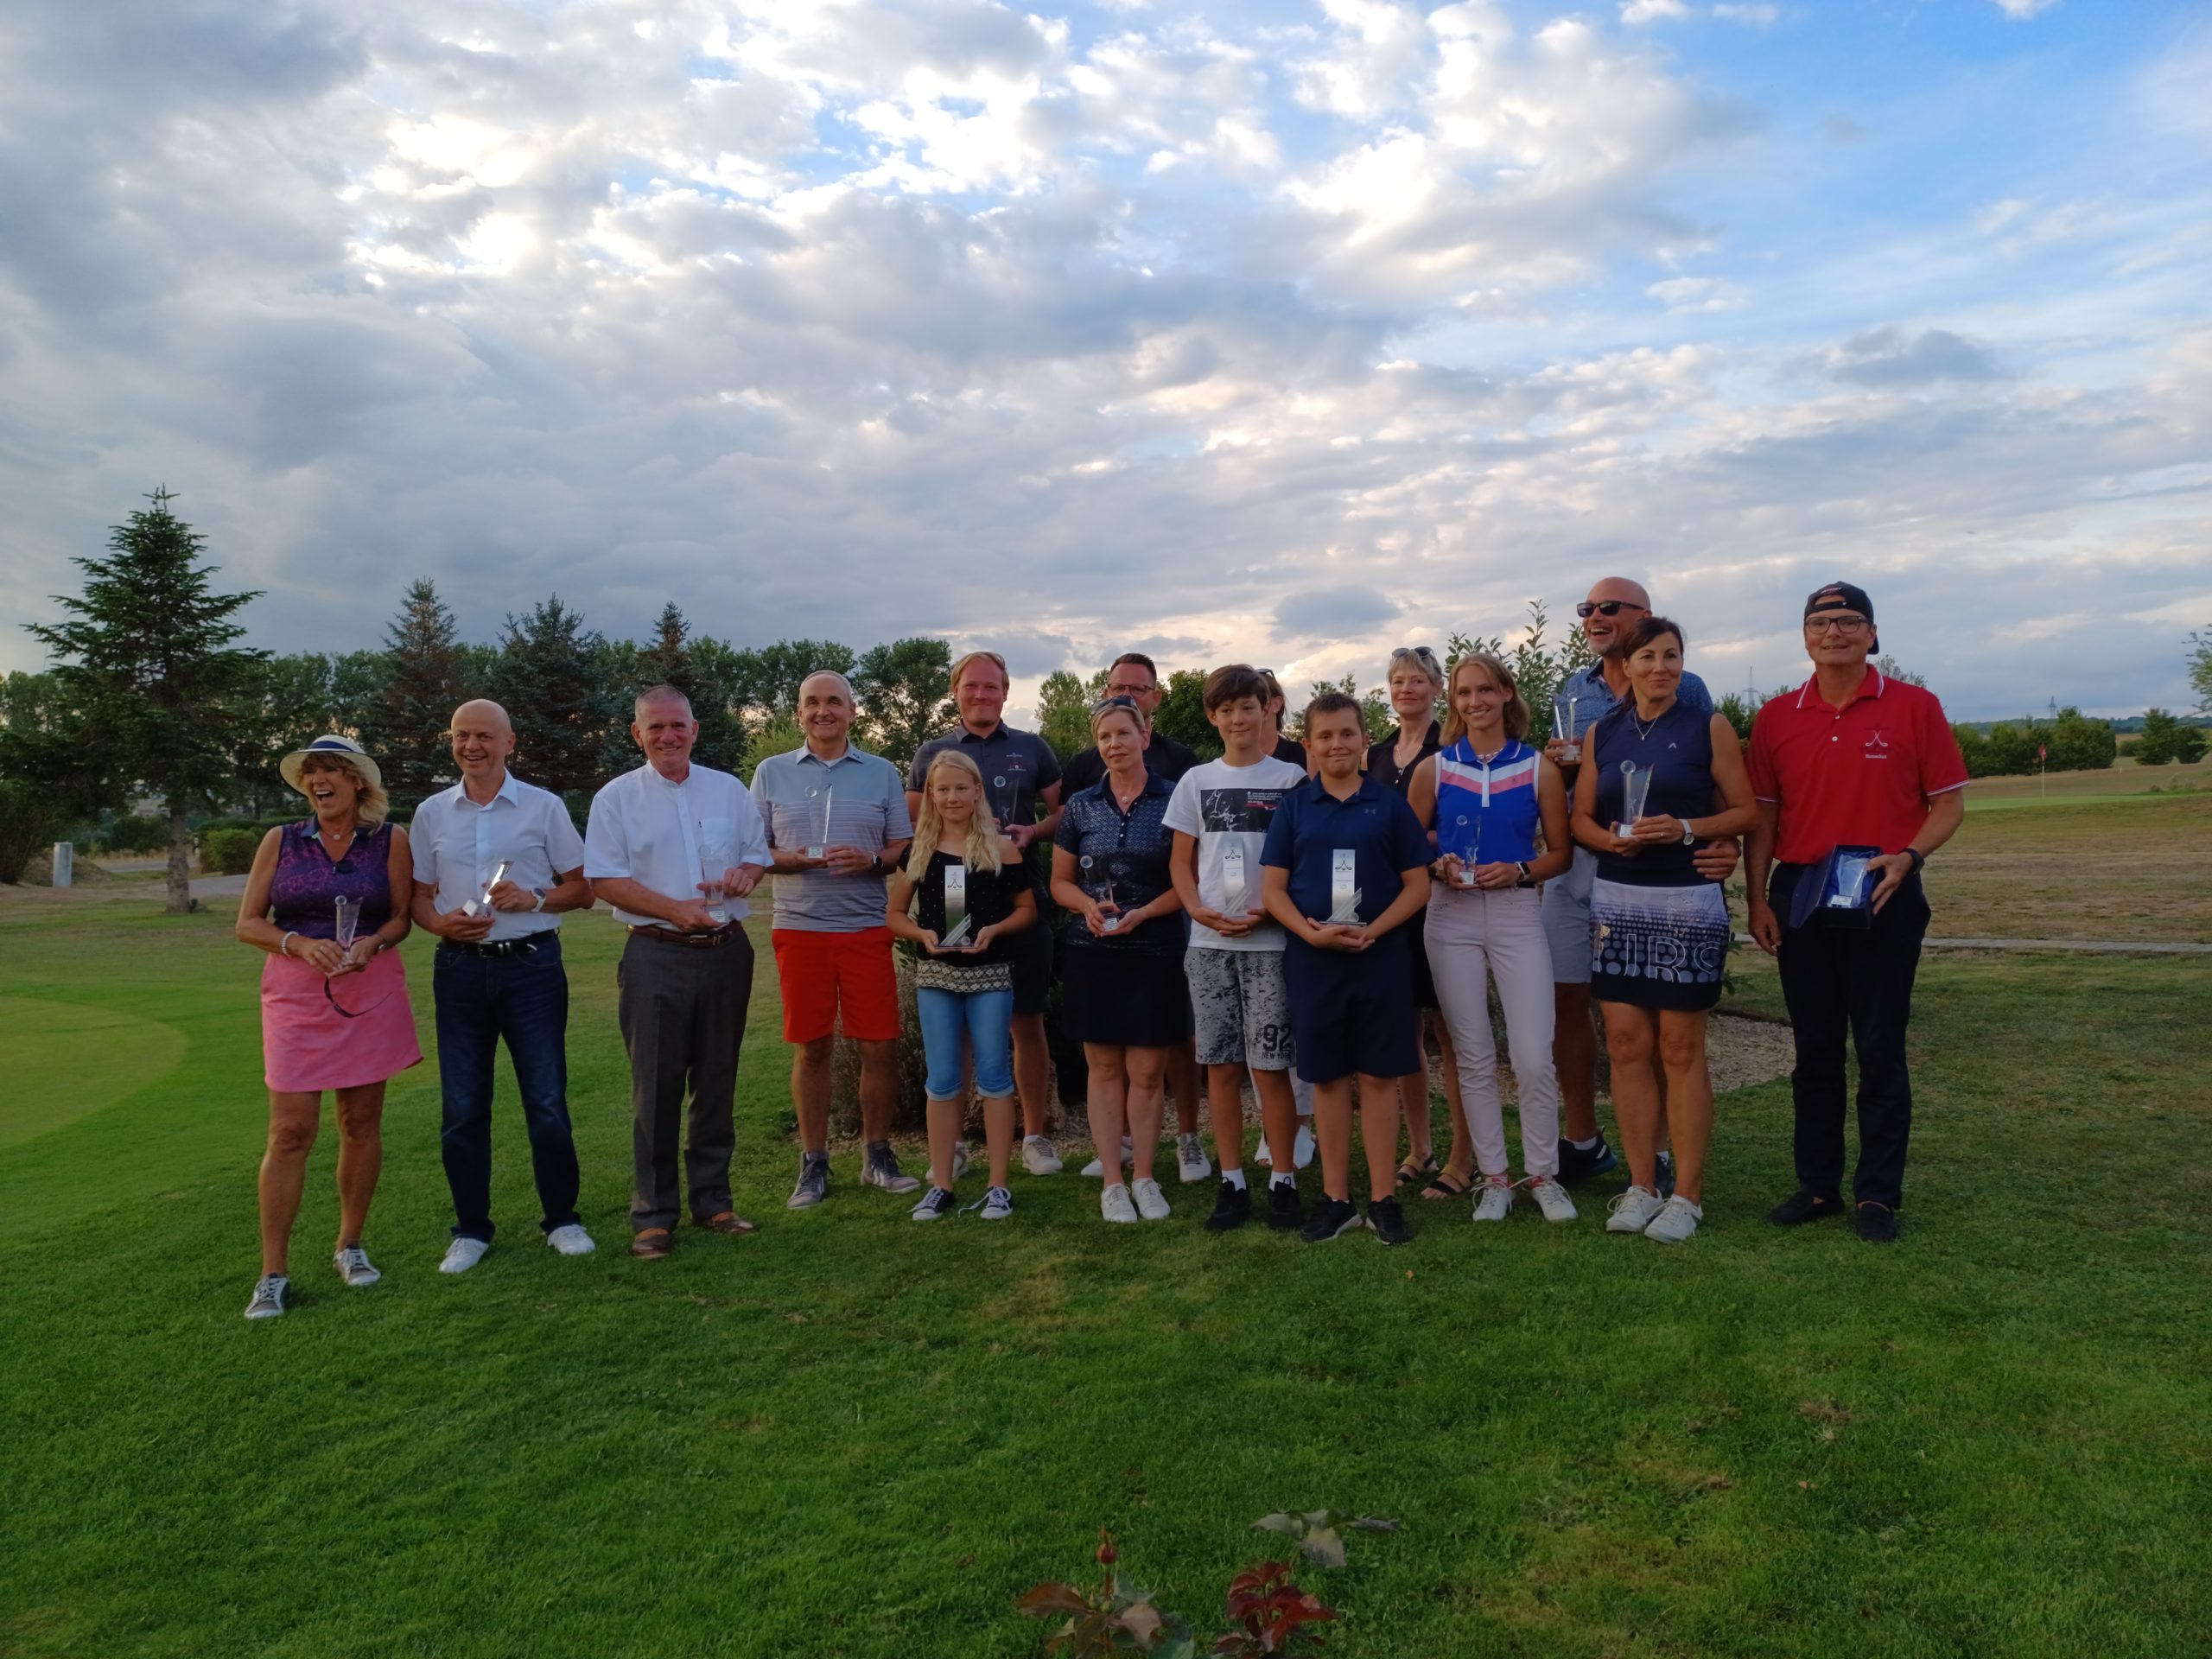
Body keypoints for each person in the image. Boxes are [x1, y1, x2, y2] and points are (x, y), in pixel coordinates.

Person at [1746, 582, 1967, 1243]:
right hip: (1802, 894)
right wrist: (1757, 898)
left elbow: (1948, 805)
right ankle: (1817, 1187)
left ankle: (1877, 1196)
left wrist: (1910, 857)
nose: (1834, 632)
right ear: (1805, 636)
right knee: (1814, 1049)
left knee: (1879, 1048)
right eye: (1821, 622)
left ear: (1872, 634)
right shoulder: (1776, 717)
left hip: (1885, 890)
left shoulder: (1915, 706)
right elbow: (1764, 818)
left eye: (1848, 621)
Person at [1543, 576, 1739, 1188]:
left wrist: (1709, 836)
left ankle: (1668, 1169)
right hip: (1602, 875)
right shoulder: (1576, 695)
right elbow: (1580, 802)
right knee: (1602, 1024)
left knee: (1673, 1038)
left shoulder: (1696, 702)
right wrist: (1560, 772)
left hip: (1676, 883)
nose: (1595, 616)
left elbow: (1725, 794)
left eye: (1609, 607)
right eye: (1587, 608)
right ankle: (1602, 1153)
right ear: (1628, 665)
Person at [1569, 618, 1758, 1244]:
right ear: (1624, 666)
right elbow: (1582, 819)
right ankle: (1642, 1185)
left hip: (1686, 899)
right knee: (1626, 1045)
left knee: (1680, 1048)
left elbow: (1746, 811)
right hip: (1619, 899)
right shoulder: (1602, 732)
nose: (1660, 668)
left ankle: (1687, 1197)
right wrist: (1610, 842)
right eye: (1648, 656)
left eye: (1672, 656)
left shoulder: (1708, 725)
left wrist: (1685, 829)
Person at [235, 735, 422, 1319]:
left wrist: (374, 942)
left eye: (332, 771)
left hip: (368, 990)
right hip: (296, 994)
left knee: (360, 1124)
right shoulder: (281, 840)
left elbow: (401, 917)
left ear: (357, 782)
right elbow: (248, 923)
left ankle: (350, 1244)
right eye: (311, 773)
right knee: (290, 1132)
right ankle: (273, 1273)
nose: (319, 781)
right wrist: (296, 943)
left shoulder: (390, 839)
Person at [409, 701, 597, 1274]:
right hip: (460, 970)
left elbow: (584, 888)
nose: (472, 746)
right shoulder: (432, 813)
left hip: (531, 968)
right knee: (464, 1106)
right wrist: (441, 924)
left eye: (484, 736)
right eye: (462, 736)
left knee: (546, 1100)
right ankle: (470, 1230)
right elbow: (418, 897)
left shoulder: (543, 807)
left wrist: (534, 898)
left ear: (509, 742)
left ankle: (562, 1219)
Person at [584, 686, 770, 1259]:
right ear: (637, 734)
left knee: (716, 1081)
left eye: (677, 725)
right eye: (655, 727)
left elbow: (756, 856)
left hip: (726, 951)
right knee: (656, 1086)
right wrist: (673, 909)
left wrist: (743, 875)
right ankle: (654, 1215)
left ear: (695, 730)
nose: (668, 736)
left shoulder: (728, 789)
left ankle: (713, 1202)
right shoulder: (616, 799)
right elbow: (604, 879)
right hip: (656, 952)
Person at [1409, 655, 1577, 1223]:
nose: (1475, 701)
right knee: (1473, 1055)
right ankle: (1495, 1178)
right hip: (1450, 916)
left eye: (1485, 689)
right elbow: (1409, 842)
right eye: (1464, 693)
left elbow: (1560, 853)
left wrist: (1521, 870)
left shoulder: (1537, 768)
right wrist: (1437, 863)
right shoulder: (1434, 768)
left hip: (1515, 912)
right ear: (1453, 702)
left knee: (1531, 1055)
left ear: (1506, 693)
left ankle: (1544, 1174)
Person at [1261, 692, 1431, 1246]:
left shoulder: (1389, 804)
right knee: (1329, 1078)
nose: (1337, 744)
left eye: (1347, 734)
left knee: (1379, 1076)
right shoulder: (1294, 808)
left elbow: (1418, 885)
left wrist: (1375, 930)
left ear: (1364, 740)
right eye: (1325, 736)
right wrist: (1310, 932)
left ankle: (1383, 1198)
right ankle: (1336, 1199)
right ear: (1308, 744)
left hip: (1380, 958)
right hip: (1315, 961)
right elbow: (1273, 889)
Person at [752, 670, 918, 1209]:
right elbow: (754, 851)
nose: (823, 711)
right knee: (813, 1046)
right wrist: (790, 860)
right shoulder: (771, 772)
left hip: (866, 926)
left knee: (879, 1045)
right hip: (800, 928)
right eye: (812, 702)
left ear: (852, 710)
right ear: (799, 712)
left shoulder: (881, 771)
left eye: (833, 702)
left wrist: (871, 859)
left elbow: (902, 848)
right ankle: (814, 1162)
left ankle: (877, 1156)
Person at [907, 651, 1065, 1176]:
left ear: (1005, 691)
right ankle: (953, 1144)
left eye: (991, 686)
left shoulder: (1032, 747)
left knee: (1027, 1020)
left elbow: (1062, 813)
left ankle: (1035, 1135)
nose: (981, 694)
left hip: (1020, 901)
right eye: (971, 686)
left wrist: (1030, 833)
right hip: (954, 908)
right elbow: (919, 827)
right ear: (955, 691)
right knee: (958, 1029)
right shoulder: (932, 752)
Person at [1165, 664, 1309, 1231]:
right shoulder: (1195, 781)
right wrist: (1196, 909)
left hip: (1271, 944)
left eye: (1248, 707)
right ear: (1212, 716)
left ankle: (1282, 1179)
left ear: (1267, 708)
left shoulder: (1291, 779)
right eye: (1226, 710)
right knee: (1220, 1067)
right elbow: (1180, 862)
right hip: (1209, 943)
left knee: (1270, 1067)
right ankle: (1232, 1181)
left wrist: (1275, 908)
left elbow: (1303, 859)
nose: (1238, 718)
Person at [1060, 652, 1209, 1184]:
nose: (1114, 744)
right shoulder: (1080, 805)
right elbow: (1060, 882)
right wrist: (1086, 905)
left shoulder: (1176, 800)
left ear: (1144, 736)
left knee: (1148, 1070)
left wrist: (1144, 912)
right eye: (1105, 737)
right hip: (1093, 950)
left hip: (1156, 948)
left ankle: (1146, 1176)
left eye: (1124, 733)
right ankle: (1114, 1181)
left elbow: (1188, 880)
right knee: (1103, 1067)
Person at [886, 750, 1039, 1220]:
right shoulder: (920, 850)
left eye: (960, 788)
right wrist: (922, 936)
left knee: (994, 1077)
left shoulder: (1001, 848)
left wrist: (995, 930)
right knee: (942, 1081)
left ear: (977, 791)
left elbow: (1027, 911)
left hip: (990, 976)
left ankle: (998, 1185)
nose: (952, 797)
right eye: (942, 789)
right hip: (937, 977)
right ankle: (942, 1185)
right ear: (931, 795)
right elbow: (894, 915)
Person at [1364, 645, 1467, 1192]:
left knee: (1452, 1032)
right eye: (1398, 681)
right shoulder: (1376, 755)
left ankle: (1463, 1155)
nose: (1406, 689)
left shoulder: (1452, 749)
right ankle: (1420, 1147)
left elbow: (1461, 825)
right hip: (1390, 905)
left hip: (1443, 900)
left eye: (1417, 680)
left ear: (1436, 688)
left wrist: (1410, 843)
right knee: (1404, 1032)